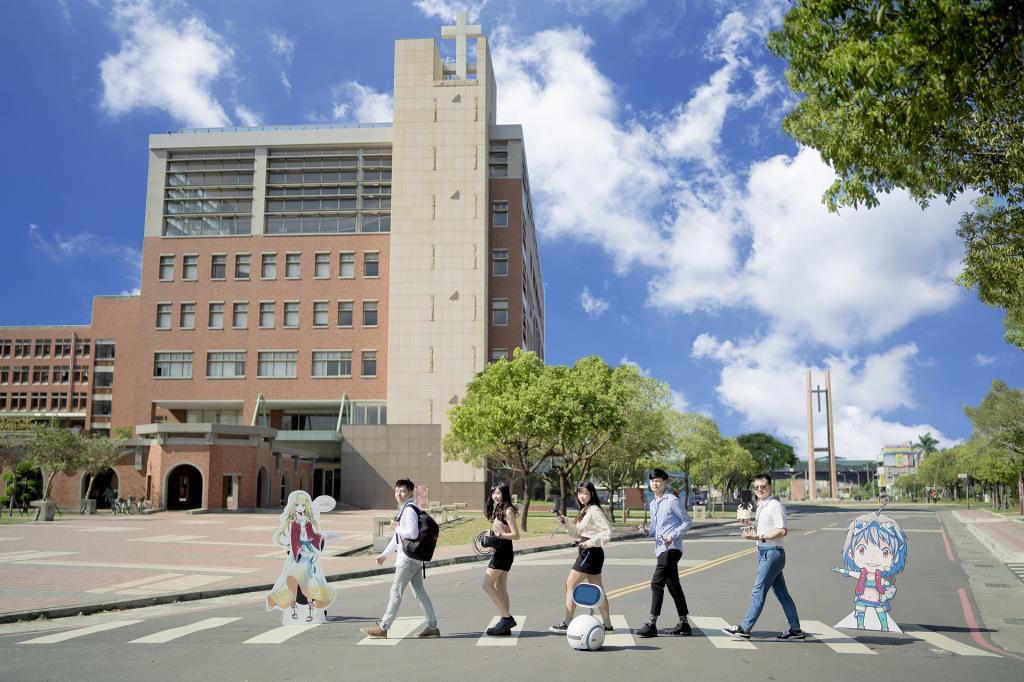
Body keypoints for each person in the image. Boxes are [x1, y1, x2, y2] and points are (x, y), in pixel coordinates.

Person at [723, 473, 805, 640]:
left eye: (763, 487)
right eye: (757, 487)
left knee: (758, 591)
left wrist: (760, 537)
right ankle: (795, 629)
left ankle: (745, 628)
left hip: (772, 553)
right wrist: (750, 526)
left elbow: (782, 530)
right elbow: (764, 528)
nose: (760, 489)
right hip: (765, 553)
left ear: (770, 487)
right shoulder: (761, 505)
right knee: (782, 595)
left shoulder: (775, 505)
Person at [360, 479, 440, 639]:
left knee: (395, 592)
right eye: (397, 491)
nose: (398, 494)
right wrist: (384, 555)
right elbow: (399, 537)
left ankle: (383, 627)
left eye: (402, 491)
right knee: (420, 593)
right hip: (415, 559)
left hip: (408, 560)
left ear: (411, 492)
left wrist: (395, 526)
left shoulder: (409, 510)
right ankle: (432, 626)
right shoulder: (409, 508)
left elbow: (410, 533)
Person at [634, 468, 693, 638]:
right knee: (674, 586)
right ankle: (684, 624)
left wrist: (672, 535)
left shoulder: (672, 501)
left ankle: (652, 624)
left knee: (656, 584)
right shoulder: (653, 503)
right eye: (652, 480)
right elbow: (655, 529)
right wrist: (646, 530)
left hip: (672, 548)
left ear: (665, 482)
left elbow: (687, 522)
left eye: (658, 480)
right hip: (660, 549)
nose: (655, 483)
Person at [549, 482, 613, 634]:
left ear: (592, 493)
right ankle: (608, 625)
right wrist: (566, 522)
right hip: (589, 552)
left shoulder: (595, 510)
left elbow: (607, 533)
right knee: (599, 590)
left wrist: (589, 543)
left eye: (585, 493)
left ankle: (567, 623)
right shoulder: (586, 510)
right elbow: (578, 533)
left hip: (590, 553)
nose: (581, 496)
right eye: (579, 493)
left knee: (569, 585)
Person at [265, 490, 338, 620]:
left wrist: (324, 537)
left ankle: (311, 608)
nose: (300, 508)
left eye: (303, 505)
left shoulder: (308, 522)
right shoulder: (293, 524)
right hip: (297, 555)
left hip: (309, 555)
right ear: (293, 507)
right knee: (293, 578)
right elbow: (293, 541)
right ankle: (293, 606)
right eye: (297, 505)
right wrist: (302, 553)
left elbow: (313, 537)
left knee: (310, 580)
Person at [831, 510, 908, 631]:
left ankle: (884, 625)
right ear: (851, 553)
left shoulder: (881, 578)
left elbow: (890, 587)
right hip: (863, 598)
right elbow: (850, 573)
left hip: (877, 600)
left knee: (880, 611)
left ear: (895, 557)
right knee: (861, 610)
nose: (872, 558)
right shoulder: (862, 575)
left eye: (885, 552)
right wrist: (840, 570)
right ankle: (861, 623)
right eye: (861, 550)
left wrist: (887, 594)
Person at [481, 482, 520, 636]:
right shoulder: (499, 509)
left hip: (503, 552)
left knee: (486, 585)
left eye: (498, 493)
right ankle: (506, 625)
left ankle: (506, 618)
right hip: (502, 551)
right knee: (501, 587)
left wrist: (497, 535)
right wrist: (492, 533)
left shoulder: (508, 511)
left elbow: (516, 535)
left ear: (504, 494)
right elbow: (501, 530)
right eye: (493, 493)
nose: (495, 496)